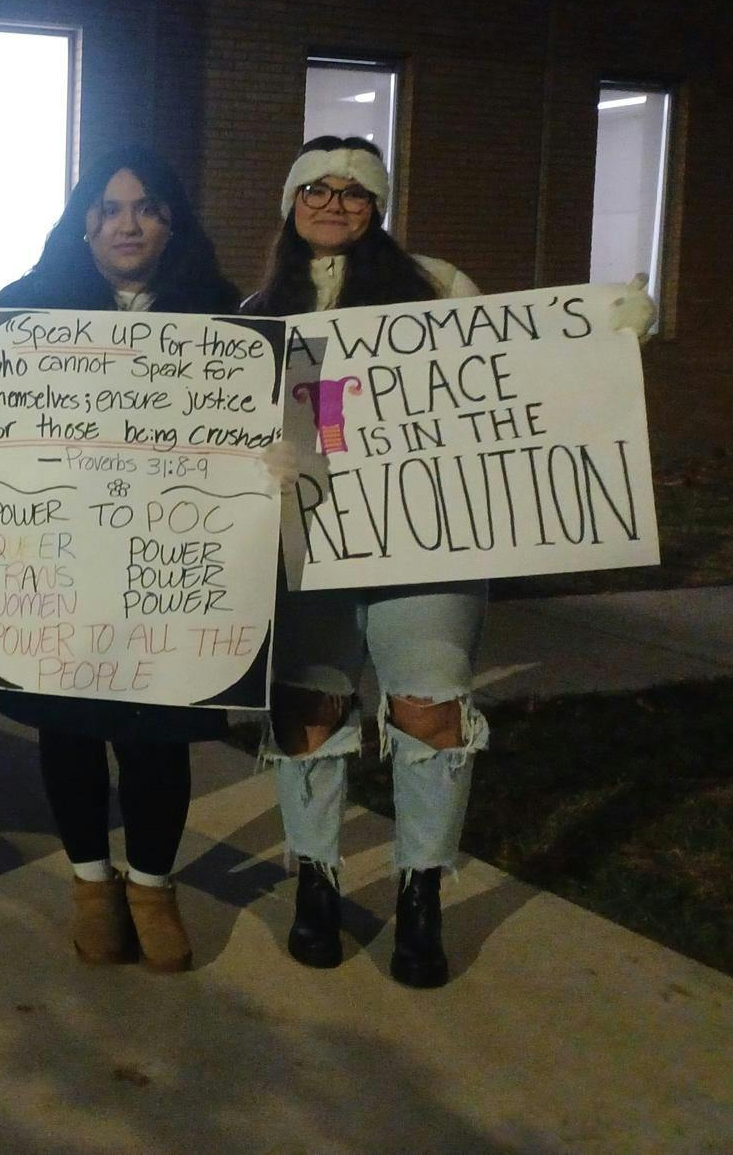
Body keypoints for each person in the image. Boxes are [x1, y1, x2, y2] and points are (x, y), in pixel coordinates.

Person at [248, 135, 651, 988]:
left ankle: (421, 889)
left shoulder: (437, 284)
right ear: (290, 201)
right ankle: (316, 882)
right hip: (312, 542)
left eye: (355, 192)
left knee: (430, 708)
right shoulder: (258, 306)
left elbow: (514, 377)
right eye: (315, 188)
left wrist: (610, 341)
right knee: (308, 712)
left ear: (379, 206)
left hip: (428, 544)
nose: (333, 203)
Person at [0, 147, 242, 972]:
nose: (127, 223)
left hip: (168, 564)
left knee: (158, 733)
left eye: (146, 207)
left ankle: (152, 886)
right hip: (62, 561)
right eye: (110, 208)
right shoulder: (28, 310)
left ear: (172, 223)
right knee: (70, 728)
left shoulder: (223, 315)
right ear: (83, 222)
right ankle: (90, 883)